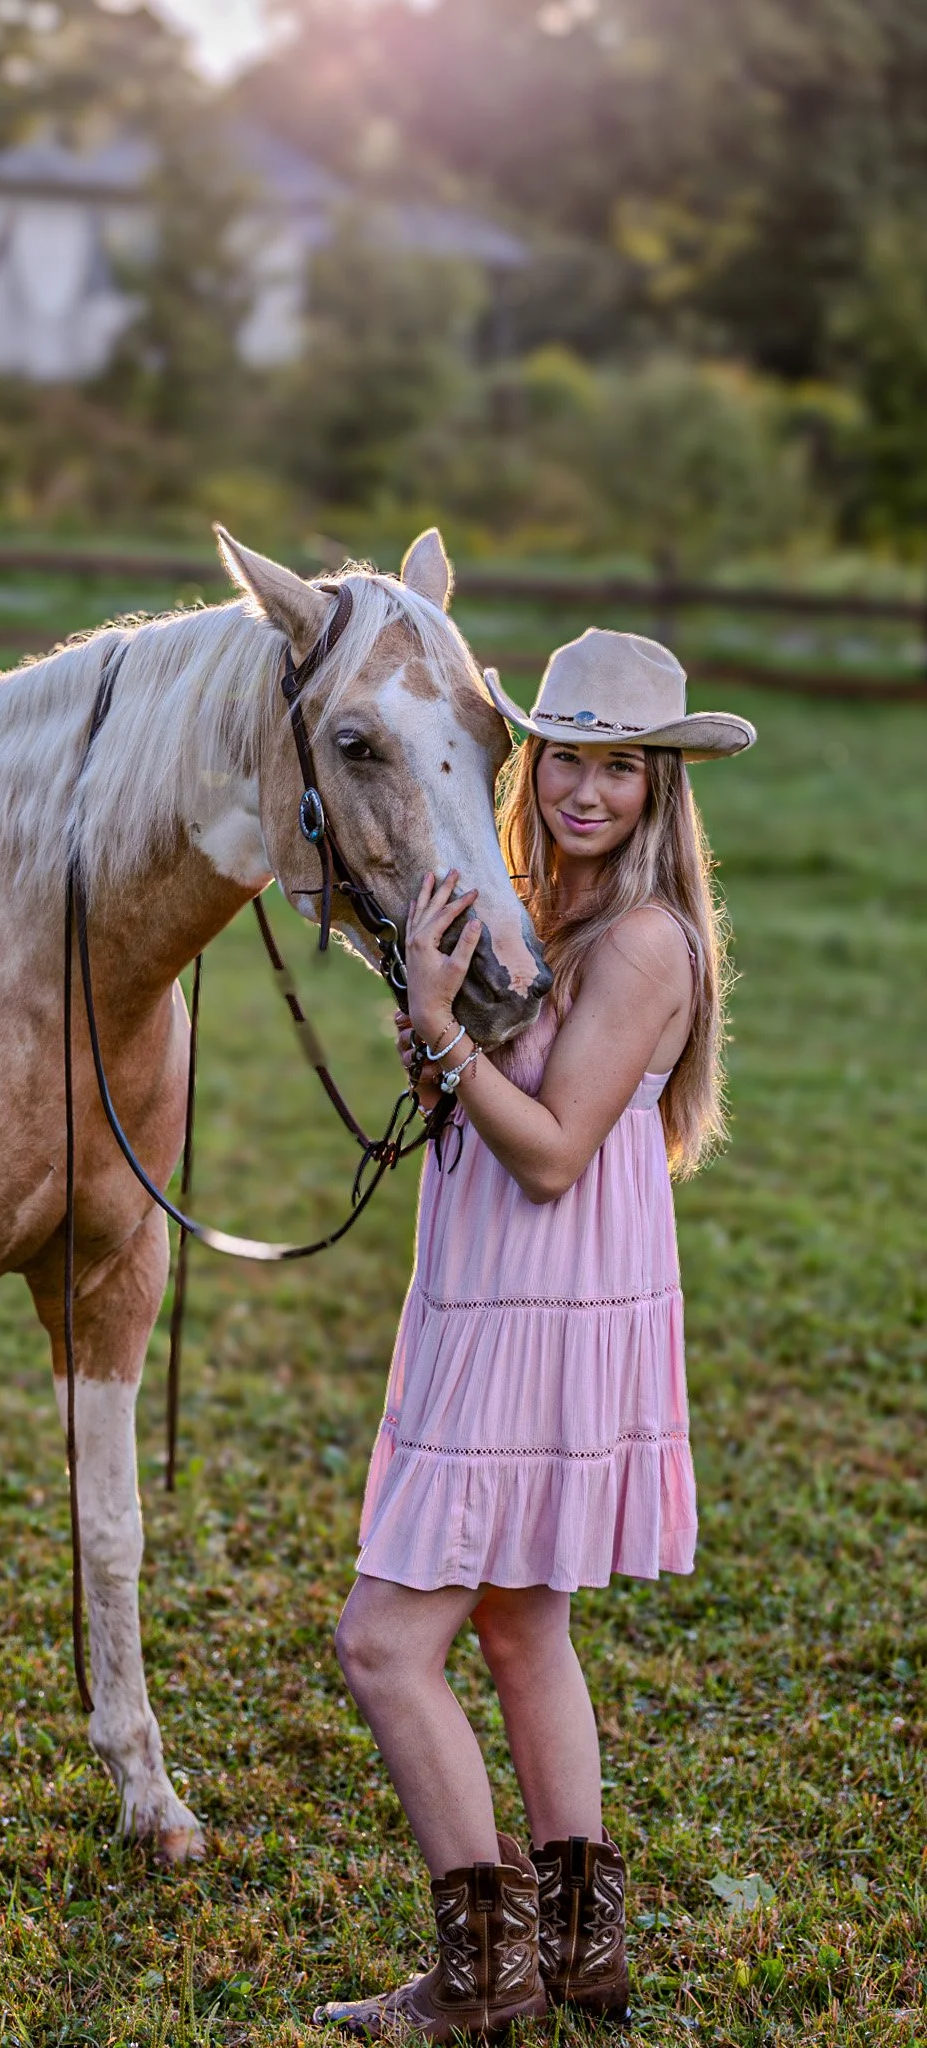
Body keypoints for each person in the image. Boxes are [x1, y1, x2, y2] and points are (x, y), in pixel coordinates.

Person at [316, 630, 756, 2040]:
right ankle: (577, 1954)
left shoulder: (641, 942)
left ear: (657, 791)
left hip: (541, 1308)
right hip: (503, 1293)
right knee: (517, 1621)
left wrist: (441, 1032)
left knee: (386, 1644)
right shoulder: (542, 922)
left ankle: (480, 1973)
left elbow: (556, 1153)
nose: (587, 790)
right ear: (537, 759)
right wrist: (438, 1038)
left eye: (621, 769)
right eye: (569, 756)